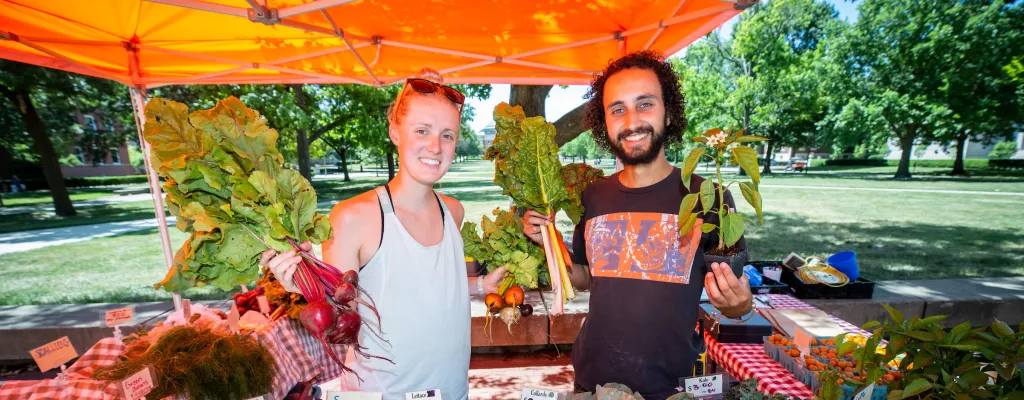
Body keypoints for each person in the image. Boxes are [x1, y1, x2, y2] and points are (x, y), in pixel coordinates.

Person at [522, 51, 755, 399]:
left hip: (673, 387)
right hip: (594, 382)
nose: (631, 121)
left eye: (645, 104)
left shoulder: (709, 197)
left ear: (669, 112)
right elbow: (584, 279)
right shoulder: (592, 197)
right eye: (617, 109)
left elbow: (734, 299)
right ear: (604, 122)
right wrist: (549, 242)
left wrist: (739, 307)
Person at [262, 69, 507, 400]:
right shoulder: (353, 217)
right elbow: (341, 323)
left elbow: (422, 289)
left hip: (452, 389)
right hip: (382, 393)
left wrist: (481, 286)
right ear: (395, 132)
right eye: (422, 130)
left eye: (447, 135)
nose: (435, 146)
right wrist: (305, 288)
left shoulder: (454, 212)